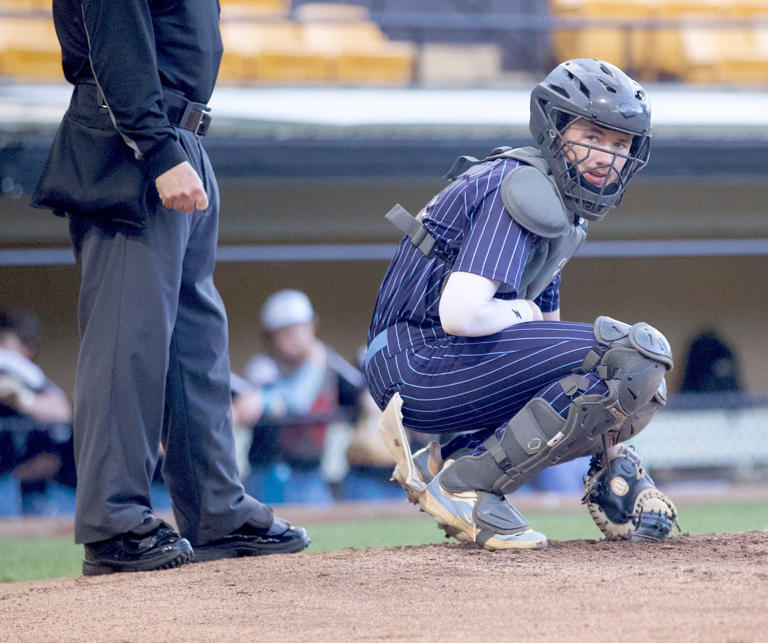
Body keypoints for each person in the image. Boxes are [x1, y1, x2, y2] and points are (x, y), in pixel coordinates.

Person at [31, 0, 309, 575]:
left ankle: (216, 511)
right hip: (134, 147)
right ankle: (114, 525)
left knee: (195, 343)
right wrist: (156, 147)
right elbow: (116, 45)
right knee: (124, 343)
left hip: (179, 139)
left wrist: (174, 148)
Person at [363, 59, 678, 550]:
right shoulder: (521, 186)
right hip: (417, 363)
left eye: (621, 145)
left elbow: (553, 354)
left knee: (643, 386)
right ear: (554, 129)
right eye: (593, 136)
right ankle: (465, 485)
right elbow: (461, 314)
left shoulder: (561, 207)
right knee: (635, 355)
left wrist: (611, 442)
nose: (607, 156)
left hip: (438, 364)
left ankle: (457, 458)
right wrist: (522, 313)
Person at [239, 289, 364, 505]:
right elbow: (297, 402)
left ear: (313, 326)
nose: (295, 337)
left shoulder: (331, 366)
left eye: (300, 328)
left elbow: (362, 396)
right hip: (268, 477)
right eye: (284, 332)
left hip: (312, 477)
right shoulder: (263, 366)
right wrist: (315, 363)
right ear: (270, 336)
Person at [0, 308, 75, 517]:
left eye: (3, 341)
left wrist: (22, 399)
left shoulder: (30, 380)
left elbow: (62, 412)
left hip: (30, 491)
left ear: (27, 350)